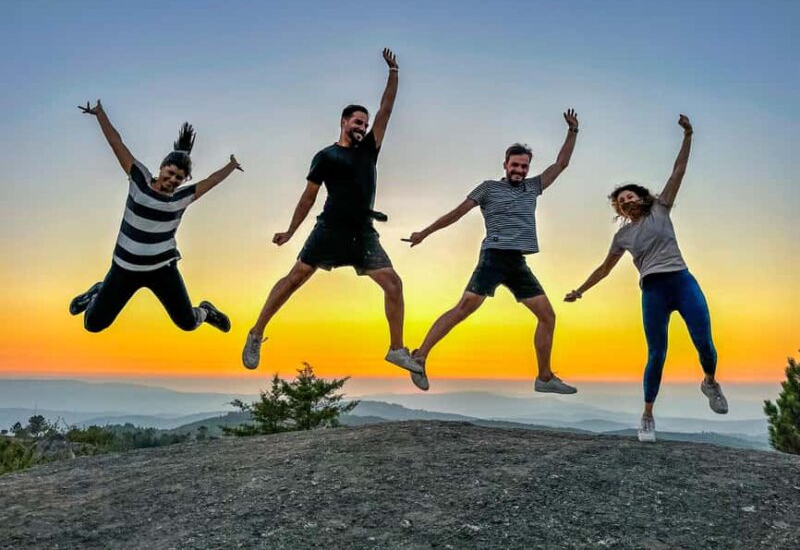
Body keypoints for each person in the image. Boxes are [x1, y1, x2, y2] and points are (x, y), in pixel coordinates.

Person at [242, 49, 419, 375]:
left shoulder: (369, 149)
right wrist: (291, 231)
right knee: (294, 279)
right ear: (343, 122)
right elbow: (308, 198)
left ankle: (396, 350)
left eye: (365, 123)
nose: (362, 127)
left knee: (394, 285)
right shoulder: (325, 156)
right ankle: (256, 333)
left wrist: (394, 73)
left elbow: (387, 109)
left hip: (362, 232)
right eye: (357, 122)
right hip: (330, 228)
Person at [564, 114, 728, 442]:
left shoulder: (661, 208)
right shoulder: (622, 237)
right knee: (656, 354)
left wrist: (688, 135)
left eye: (629, 197)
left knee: (704, 342)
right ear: (619, 211)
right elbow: (604, 269)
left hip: (682, 281)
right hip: (653, 291)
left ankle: (710, 382)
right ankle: (647, 415)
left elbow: (678, 171)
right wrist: (580, 290)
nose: (626, 202)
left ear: (641, 197)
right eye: (620, 202)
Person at [404, 110, 581, 394]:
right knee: (464, 308)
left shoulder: (533, 186)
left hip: (517, 263)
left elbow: (561, 164)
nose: (519, 170)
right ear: (505, 164)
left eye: (524, 166)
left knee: (547, 316)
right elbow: (457, 213)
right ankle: (419, 357)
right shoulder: (488, 188)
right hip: (494, 257)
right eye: (515, 165)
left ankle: (544, 377)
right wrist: (424, 233)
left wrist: (572, 132)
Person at [69, 100, 241, 335]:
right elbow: (116, 143)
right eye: (170, 173)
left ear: (184, 180)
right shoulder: (138, 178)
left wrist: (231, 165)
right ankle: (96, 293)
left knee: (188, 323)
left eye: (179, 178)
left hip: (162, 269)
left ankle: (206, 311)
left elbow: (211, 181)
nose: (173, 180)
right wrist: (100, 114)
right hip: (124, 269)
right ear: (162, 168)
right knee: (93, 324)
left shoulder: (181, 198)